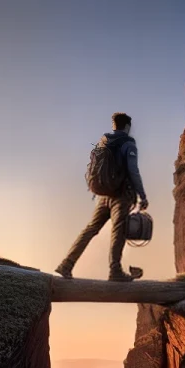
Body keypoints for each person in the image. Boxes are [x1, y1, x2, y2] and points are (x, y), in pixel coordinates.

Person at [56, 112, 149, 282]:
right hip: (120, 195)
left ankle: (66, 264)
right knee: (118, 231)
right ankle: (115, 271)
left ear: (114, 125)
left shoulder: (103, 141)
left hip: (103, 195)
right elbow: (133, 170)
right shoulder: (129, 143)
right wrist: (142, 195)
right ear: (127, 127)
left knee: (90, 229)